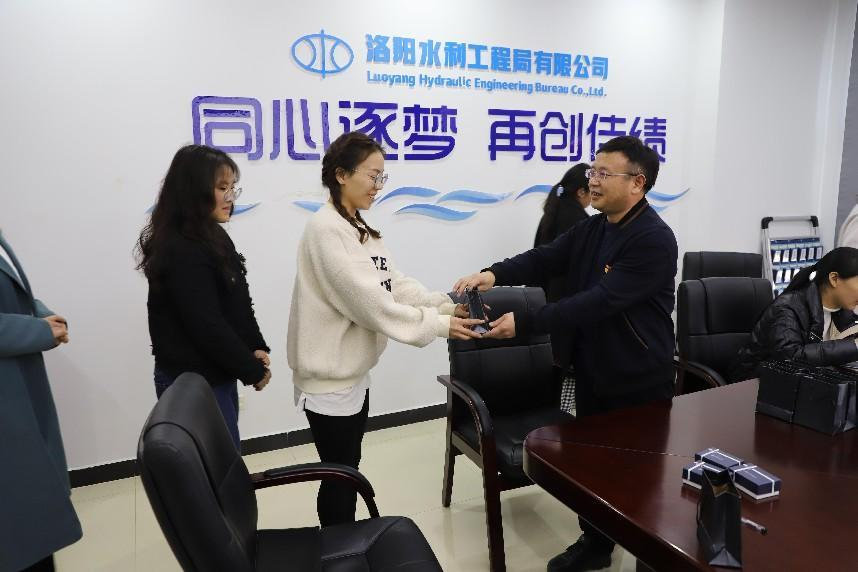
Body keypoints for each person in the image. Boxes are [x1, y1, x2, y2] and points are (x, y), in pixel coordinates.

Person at [453, 136, 678, 572]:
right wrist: (493, 274)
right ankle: (596, 544)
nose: (593, 181)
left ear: (638, 183)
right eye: (593, 171)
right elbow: (545, 258)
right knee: (593, 467)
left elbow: (599, 301)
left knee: (639, 475)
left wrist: (526, 322)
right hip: (592, 368)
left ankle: (649, 555)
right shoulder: (595, 227)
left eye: (604, 173)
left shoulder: (653, 239)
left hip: (639, 377)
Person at [287, 131, 483, 527]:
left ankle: (343, 542)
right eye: (372, 176)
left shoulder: (357, 226)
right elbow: (372, 306)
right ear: (341, 174)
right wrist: (441, 325)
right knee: (340, 476)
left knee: (347, 468)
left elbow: (394, 284)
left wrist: (445, 305)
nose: (378, 186)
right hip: (330, 383)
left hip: (352, 374)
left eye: (382, 177)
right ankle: (338, 547)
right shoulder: (327, 229)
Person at [136, 145, 271, 450]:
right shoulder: (181, 248)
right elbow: (206, 324)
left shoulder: (212, 235)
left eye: (232, 188)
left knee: (223, 460)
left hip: (217, 376)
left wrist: (255, 346)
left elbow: (238, 301)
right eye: (222, 188)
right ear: (192, 190)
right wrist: (250, 370)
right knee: (213, 468)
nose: (230, 197)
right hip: (192, 381)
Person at [0, 230, 82, 572]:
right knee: (20, 534)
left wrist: (42, 314)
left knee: (29, 531)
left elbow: (12, 300)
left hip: (18, 394)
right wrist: (38, 330)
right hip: (9, 407)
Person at [731, 247, 858, 381]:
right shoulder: (787, 309)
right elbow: (791, 359)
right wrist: (854, 346)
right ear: (834, 279)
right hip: (756, 384)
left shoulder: (843, 312)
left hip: (807, 383)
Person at [534, 163, 592, 302]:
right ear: (581, 192)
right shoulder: (579, 220)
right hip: (565, 297)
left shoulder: (552, 212)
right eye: (593, 189)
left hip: (543, 294)